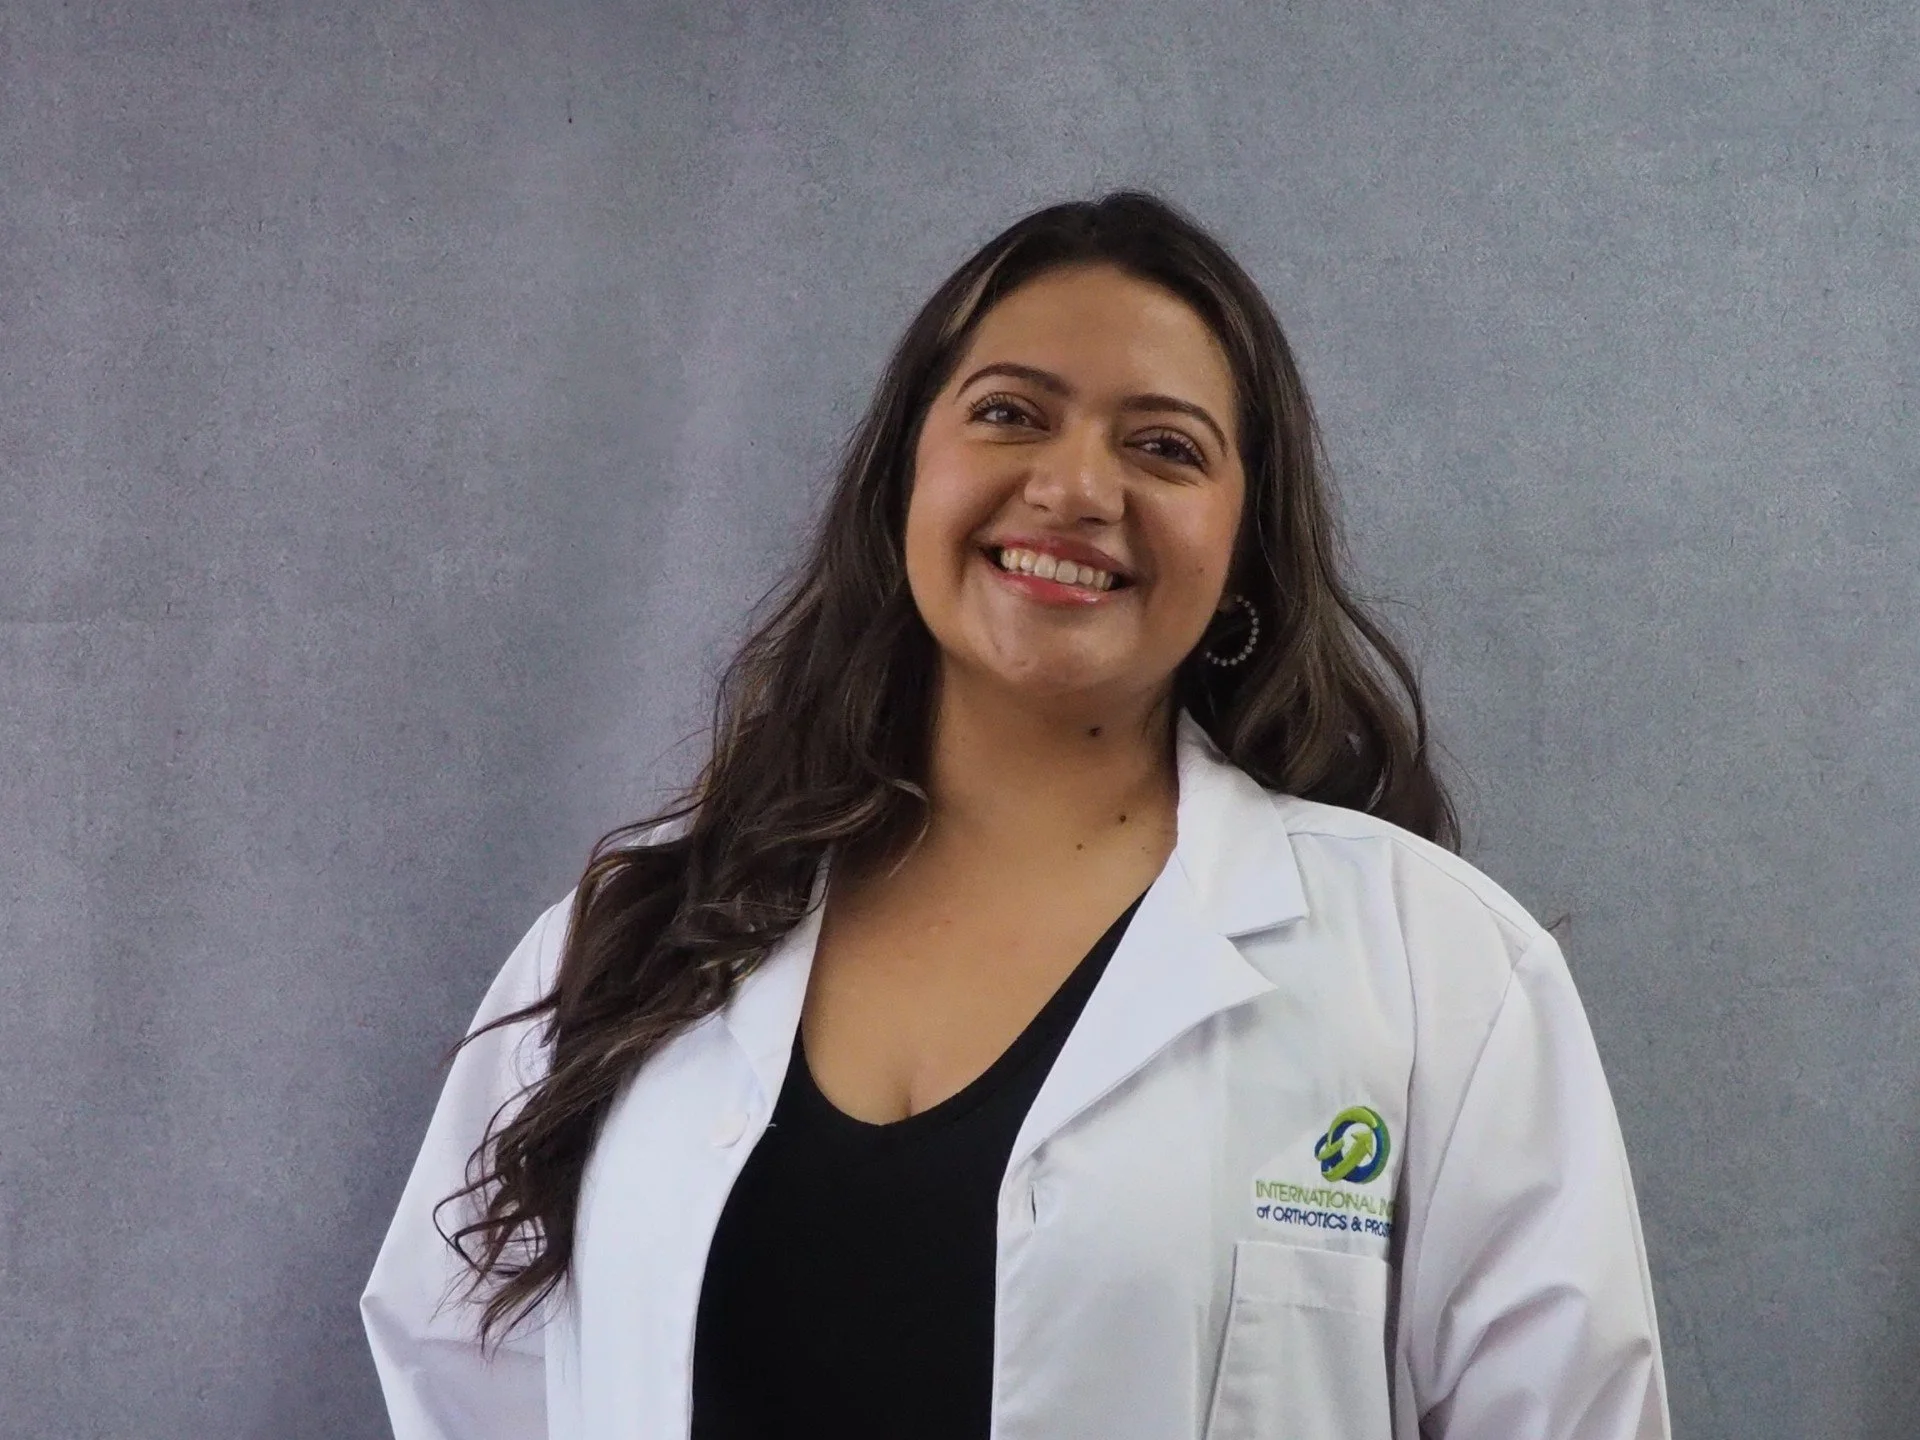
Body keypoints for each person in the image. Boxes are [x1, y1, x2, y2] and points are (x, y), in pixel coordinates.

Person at [361, 190, 1669, 1440]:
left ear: (1242, 544)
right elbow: (462, 1370)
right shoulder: (630, 940)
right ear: (902, 479)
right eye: (1010, 413)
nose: (1075, 487)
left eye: (1163, 445)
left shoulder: (1438, 976)